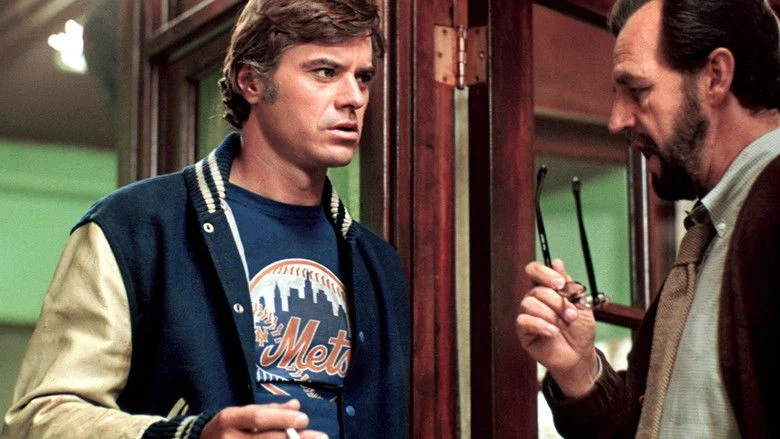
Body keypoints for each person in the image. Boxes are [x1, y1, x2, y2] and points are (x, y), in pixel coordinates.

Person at [2, 0, 410, 438]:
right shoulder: (134, 228)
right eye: (325, 72)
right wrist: (193, 435)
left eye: (362, 77)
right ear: (252, 82)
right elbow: (38, 419)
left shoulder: (377, 263)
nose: (353, 98)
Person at [516, 0, 780, 437]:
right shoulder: (714, 231)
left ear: (716, 76)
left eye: (637, 91)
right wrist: (580, 372)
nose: (616, 121)